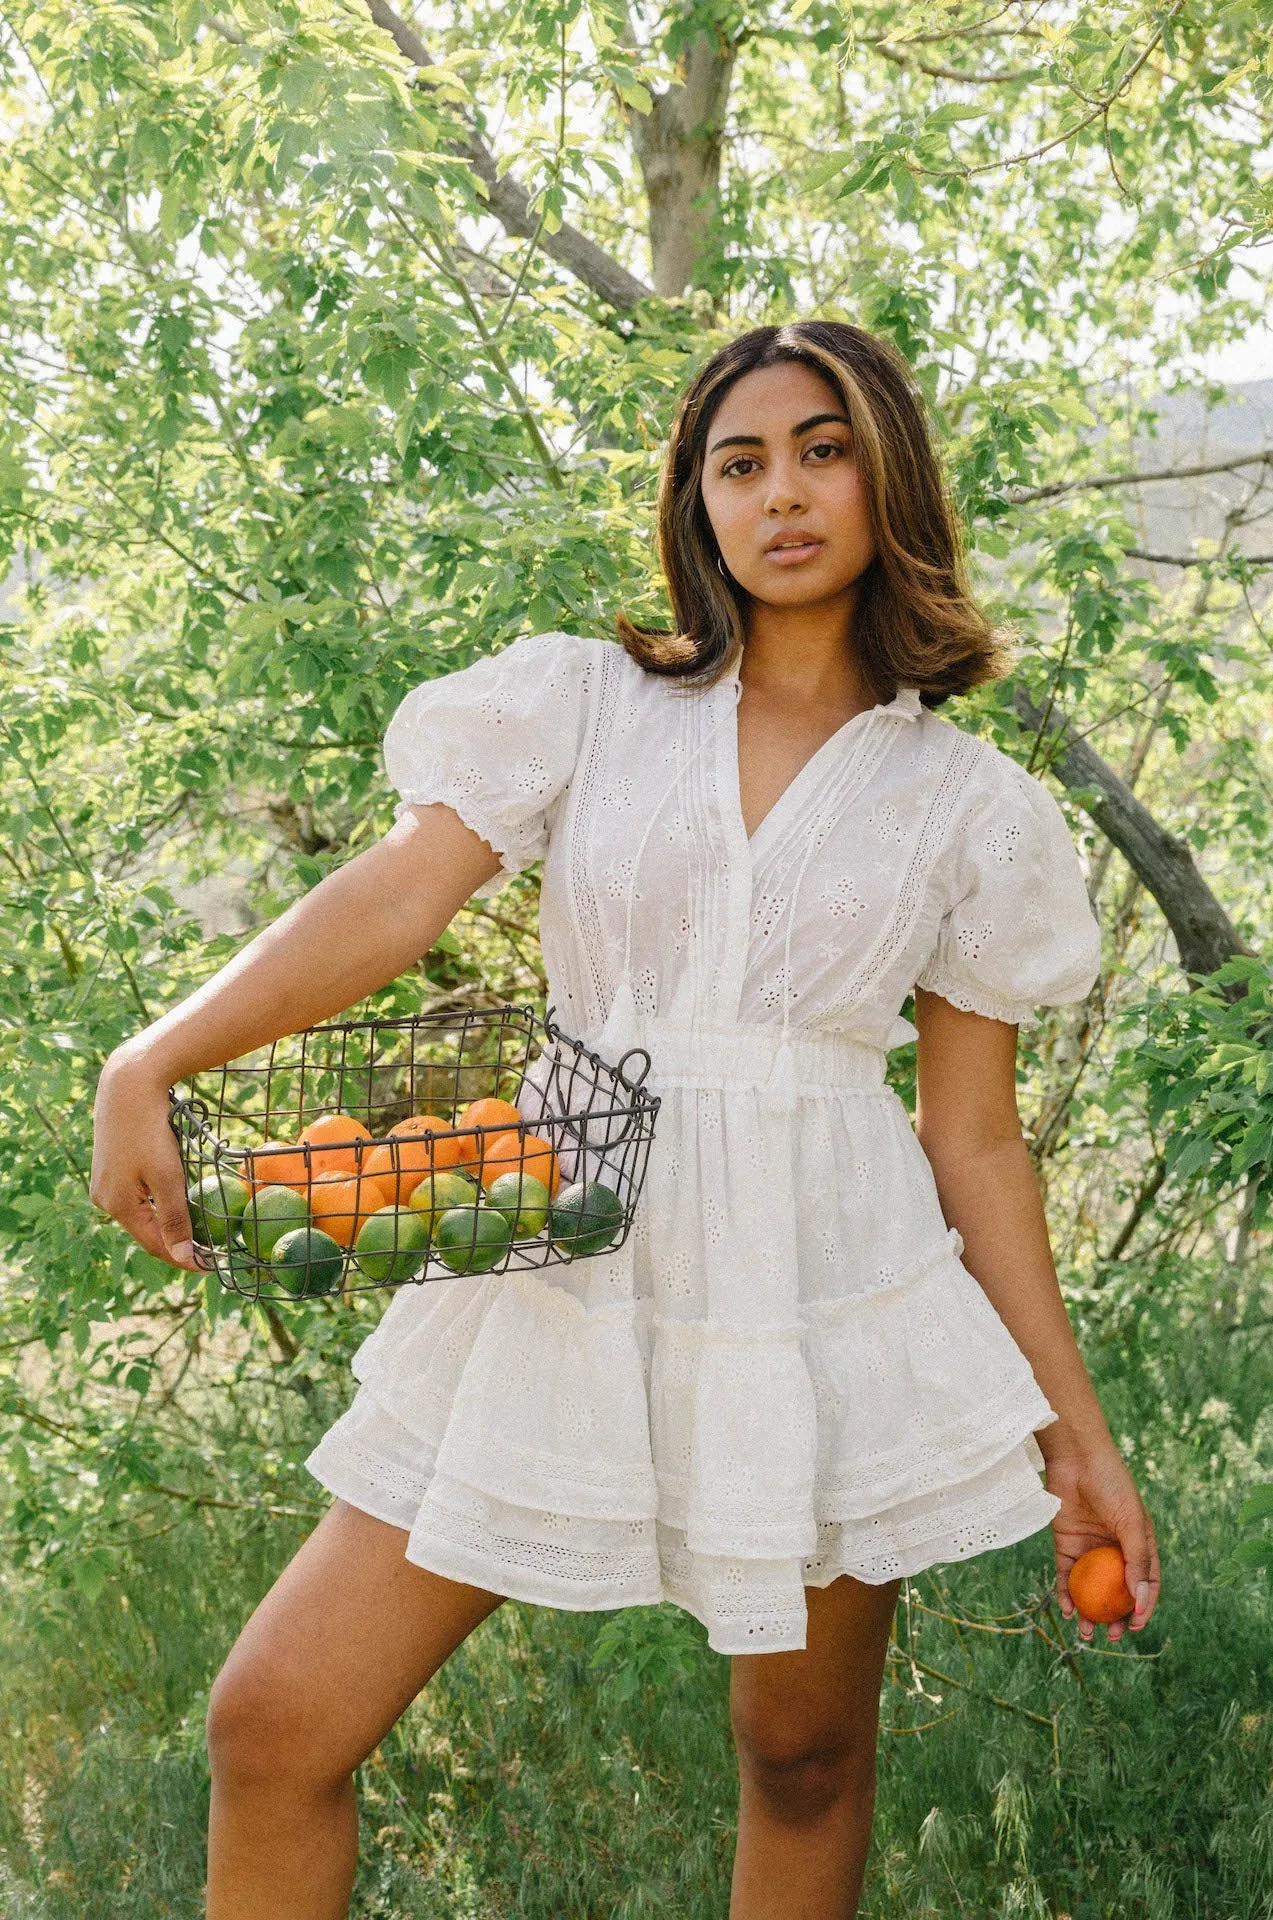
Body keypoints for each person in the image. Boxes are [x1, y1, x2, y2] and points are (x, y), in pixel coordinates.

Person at [91, 319, 1161, 1920]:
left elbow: (975, 1143)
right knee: (276, 1719)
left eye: (824, 450)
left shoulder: (971, 808)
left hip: (818, 1281)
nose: (782, 493)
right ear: (696, 503)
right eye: (741, 463)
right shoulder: (589, 705)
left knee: (801, 1758)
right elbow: (389, 901)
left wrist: (1072, 1434)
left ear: (890, 482)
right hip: (564, 1250)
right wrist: (149, 1061)